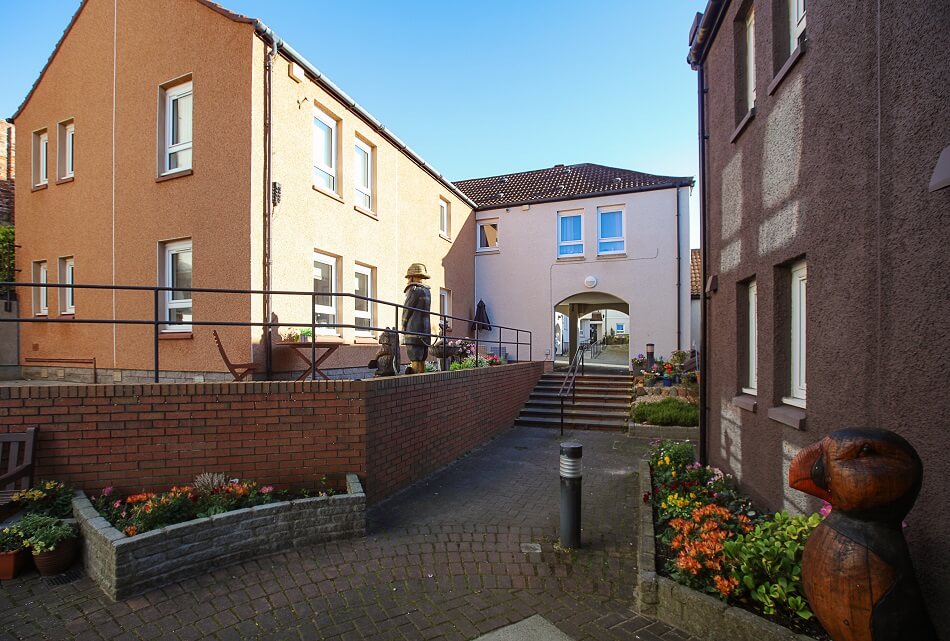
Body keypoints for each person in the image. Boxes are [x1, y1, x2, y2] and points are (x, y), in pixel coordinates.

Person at [401, 263, 431, 374]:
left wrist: (403, 324)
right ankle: (421, 376)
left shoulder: (414, 290)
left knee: (414, 354)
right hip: (425, 330)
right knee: (422, 355)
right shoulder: (427, 291)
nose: (408, 280)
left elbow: (407, 309)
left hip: (413, 329)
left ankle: (416, 377)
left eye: (409, 277)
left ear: (412, 277)